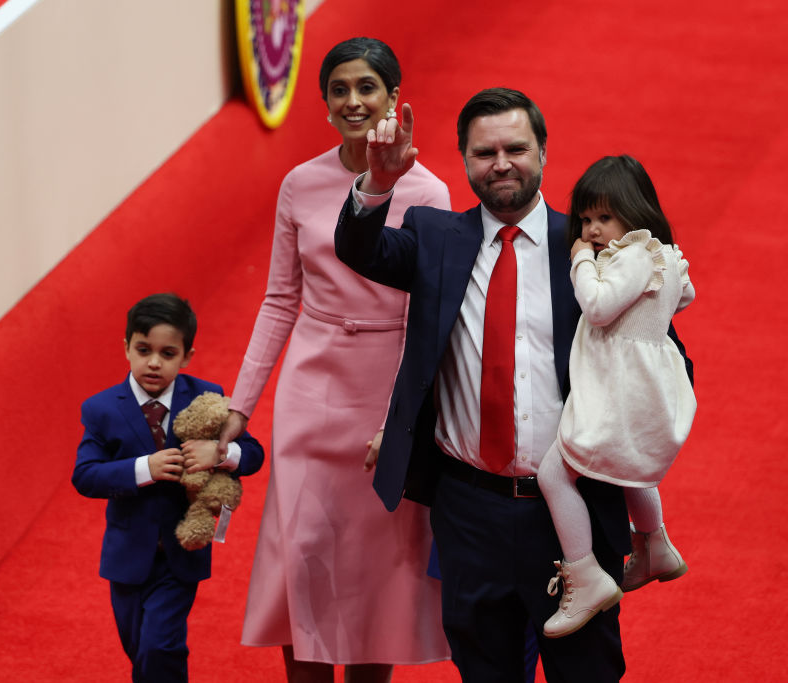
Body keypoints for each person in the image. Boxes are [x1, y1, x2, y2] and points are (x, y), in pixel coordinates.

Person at [333, 88, 692, 681]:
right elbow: (357, 248)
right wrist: (378, 182)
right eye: (484, 152)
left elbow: (662, 358)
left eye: (516, 149)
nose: (501, 164)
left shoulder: (592, 250)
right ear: (464, 160)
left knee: (586, 673)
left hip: (574, 506)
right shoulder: (434, 238)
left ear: (544, 153)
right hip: (469, 510)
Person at [216, 37, 451, 682]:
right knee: (303, 548)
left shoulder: (429, 193)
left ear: (394, 98)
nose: (353, 101)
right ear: (323, 101)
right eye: (339, 89)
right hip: (311, 385)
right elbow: (278, 300)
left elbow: (431, 316)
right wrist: (241, 406)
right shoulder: (299, 184)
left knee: (377, 561)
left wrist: (404, 417)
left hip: (386, 384)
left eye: (366, 87)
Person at [538, 155, 696, 638]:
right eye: (585, 219)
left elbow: (598, 306)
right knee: (629, 467)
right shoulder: (663, 255)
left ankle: (584, 573)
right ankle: (654, 546)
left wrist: (582, 260)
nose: (590, 230)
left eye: (604, 217)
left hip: (616, 388)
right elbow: (685, 295)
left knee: (553, 473)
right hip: (645, 385)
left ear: (634, 210)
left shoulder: (631, 255)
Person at [71, 293, 265, 683]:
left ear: (187, 356)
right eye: (144, 350)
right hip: (127, 556)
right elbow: (85, 475)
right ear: (126, 348)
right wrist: (145, 468)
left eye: (168, 353)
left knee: (161, 646)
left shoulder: (206, 396)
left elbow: (255, 453)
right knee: (140, 651)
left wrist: (220, 452)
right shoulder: (101, 408)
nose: (154, 362)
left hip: (181, 552)